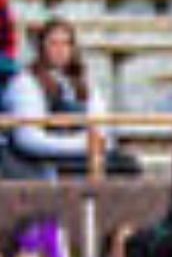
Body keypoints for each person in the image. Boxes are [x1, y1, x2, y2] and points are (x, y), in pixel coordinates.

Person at [5, 18, 139, 177]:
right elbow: (28, 139)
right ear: (42, 48)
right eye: (53, 44)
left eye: (66, 43)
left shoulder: (82, 83)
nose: (60, 50)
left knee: (126, 164)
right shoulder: (26, 83)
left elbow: (101, 127)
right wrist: (83, 144)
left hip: (80, 153)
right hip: (45, 158)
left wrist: (94, 143)